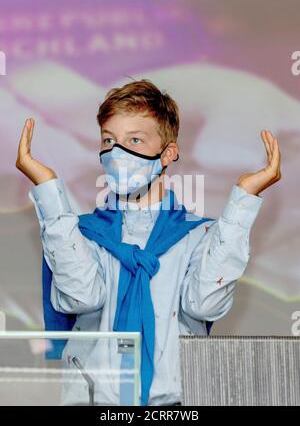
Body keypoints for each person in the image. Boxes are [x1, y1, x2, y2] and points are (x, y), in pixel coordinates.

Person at [16, 79, 281, 406]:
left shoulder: (198, 234)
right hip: (94, 404)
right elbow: (82, 298)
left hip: (177, 407)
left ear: (168, 153)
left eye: (135, 140)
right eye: (109, 140)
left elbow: (205, 305)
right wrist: (48, 191)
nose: (117, 153)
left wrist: (242, 201)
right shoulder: (77, 232)